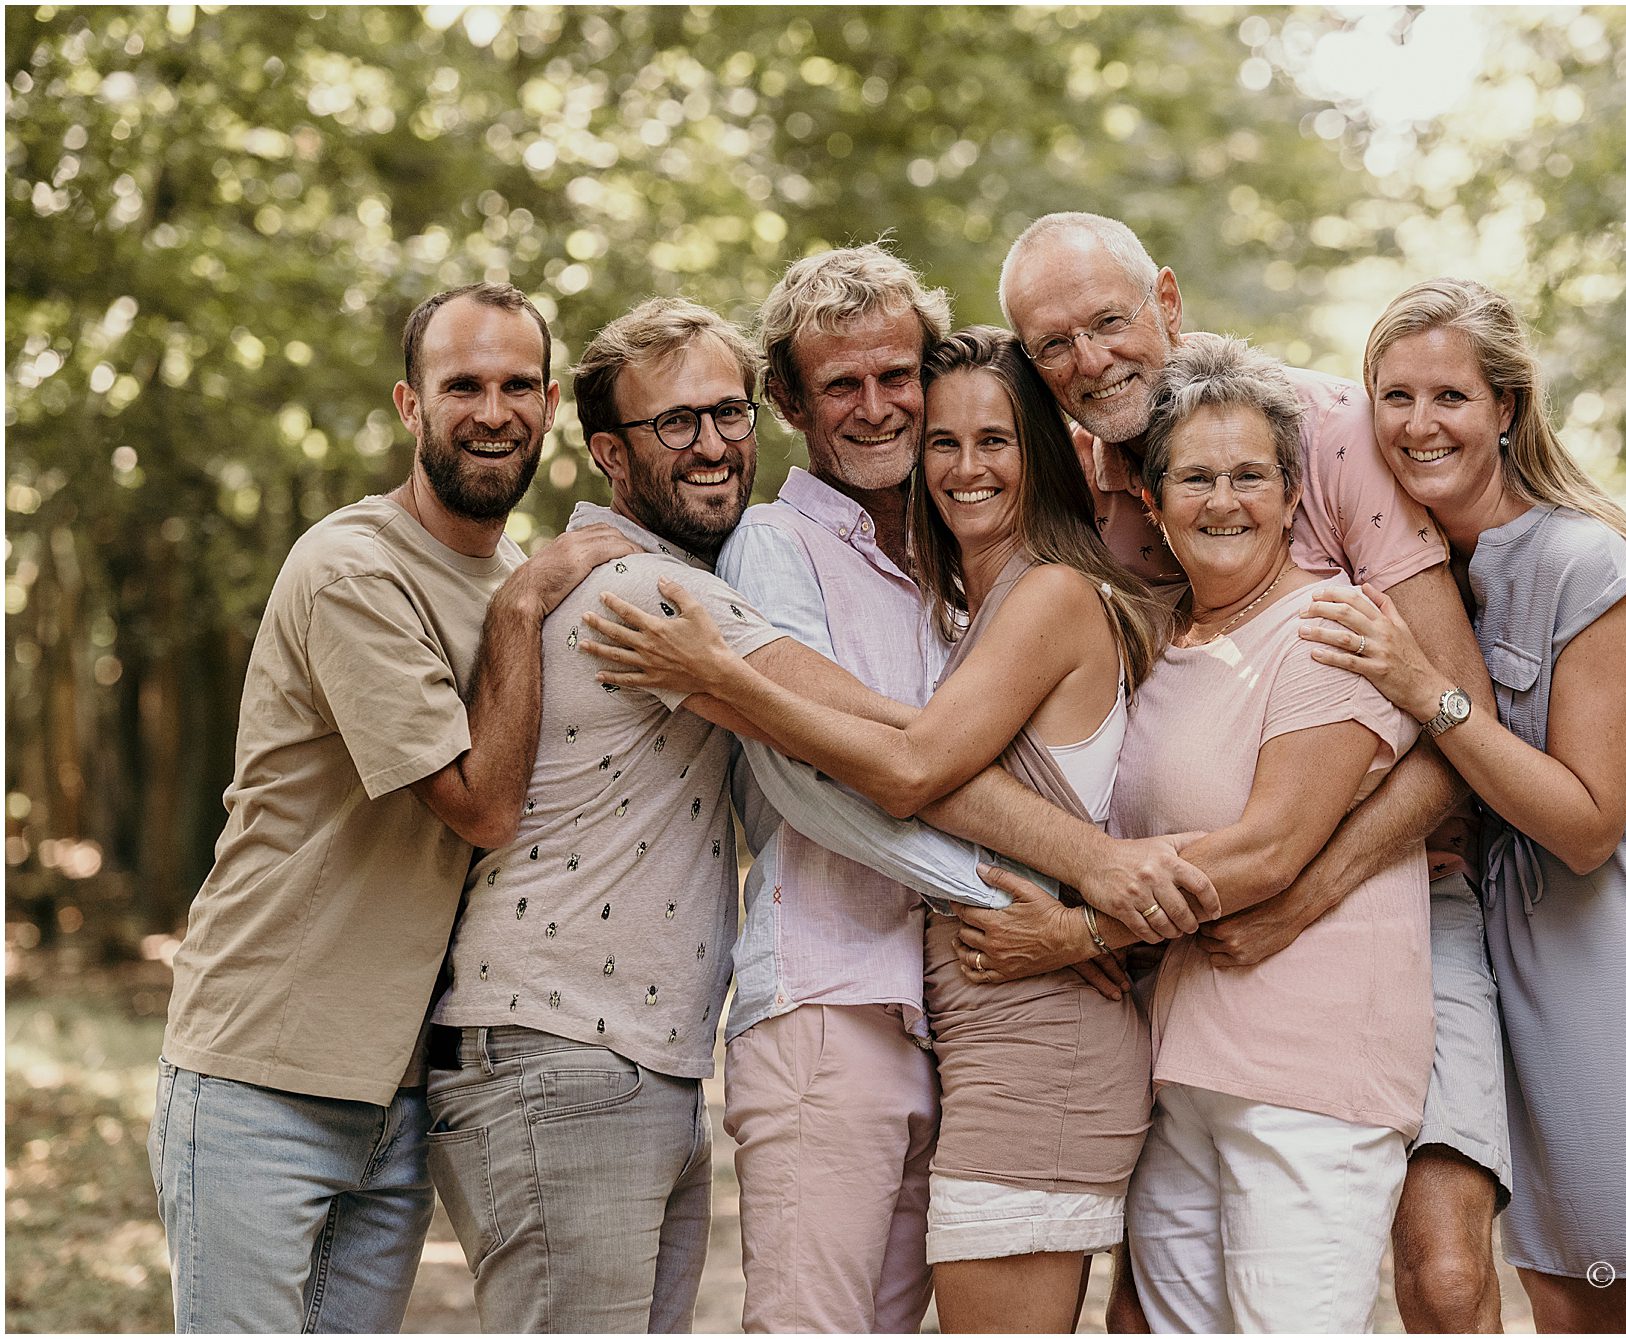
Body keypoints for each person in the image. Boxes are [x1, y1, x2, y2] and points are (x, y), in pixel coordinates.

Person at [579, 245, 1215, 1334]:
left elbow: (948, 764)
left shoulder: (950, 571)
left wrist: (1077, 921)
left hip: (948, 1018)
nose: (877, 409)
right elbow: (806, 775)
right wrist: (1012, 893)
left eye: (896, 377)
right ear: (785, 398)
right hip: (833, 1002)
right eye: (840, 384)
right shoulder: (777, 546)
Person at [1000, 212, 1509, 1330]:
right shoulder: (1100, 509)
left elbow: (1449, 731)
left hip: (1355, 971)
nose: (1086, 359)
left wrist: (1282, 893)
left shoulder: (1328, 465)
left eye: (1106, 321)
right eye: (1051, 343)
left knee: (1435, 1274)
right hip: (1194, 1026)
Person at [1301, 277, 1626, 1332]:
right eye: (1392, 397)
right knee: (1573, 1295)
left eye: (1448, 396)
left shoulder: (1588, 564)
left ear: (1505, 409)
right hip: (1530, 947)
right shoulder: (1432, 567)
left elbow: (1583, 824)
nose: (1418, 424)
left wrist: (1422, 690)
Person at [149, 282, 634, 1333]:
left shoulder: (516, 573)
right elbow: (479, 808)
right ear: (412, 408)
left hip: (400, 1097)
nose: (492, 411)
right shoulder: (353, 571)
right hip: (261, 1076)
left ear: (550, 404)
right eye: (462, 385)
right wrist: (520, 610)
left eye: (515, 386)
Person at [421, 297, 790, 1331]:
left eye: (729, 412)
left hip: (627, 1059)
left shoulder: (645, 577)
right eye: (675, 422)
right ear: (609, 457)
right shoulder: (643, 594)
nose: (712, 443)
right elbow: (895, 744)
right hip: (562, 1054)